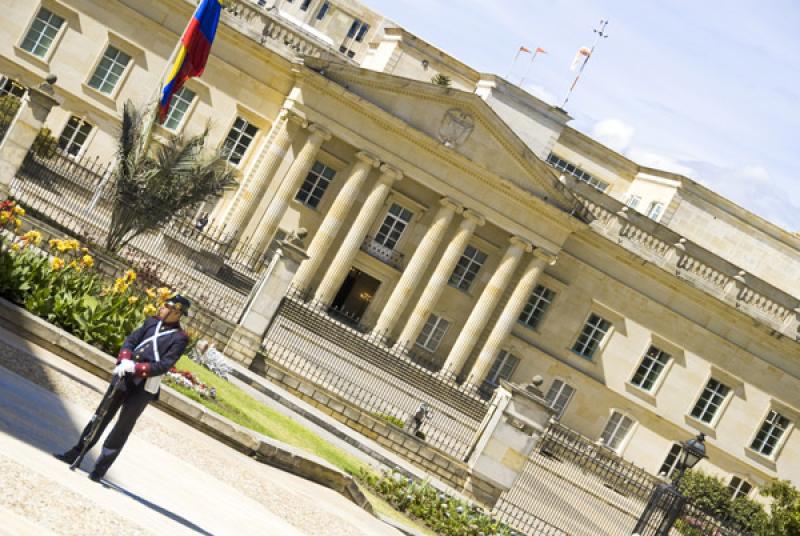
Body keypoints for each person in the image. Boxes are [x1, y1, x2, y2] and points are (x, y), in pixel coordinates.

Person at [54, 295, 191, 482]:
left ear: (177, 312)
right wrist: (125, 359)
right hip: (125, 376)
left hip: (143, 387)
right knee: (100, 415)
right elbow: (131, 340)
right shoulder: (152, 322)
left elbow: (165, 364)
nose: (161, 308)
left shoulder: (179, 338)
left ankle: (100, 469)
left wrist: (137, 368)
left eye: (166, 307)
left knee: (122, 427)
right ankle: (77, 452)